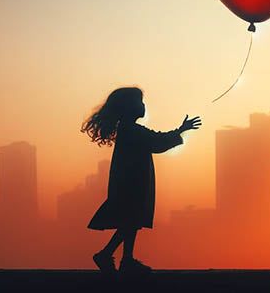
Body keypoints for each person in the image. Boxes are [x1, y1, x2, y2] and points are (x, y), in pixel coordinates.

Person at [81, 86, 201, 273]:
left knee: (131, 222)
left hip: (130, 182)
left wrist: (179, 131)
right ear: (130, 107)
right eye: (140, 101)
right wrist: (181, 130)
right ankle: (110, 255)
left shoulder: (128, 130)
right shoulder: (132, 130)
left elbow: (155, 140)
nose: (143, 105)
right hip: (132, 184)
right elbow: (157, 142)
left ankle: (124, 259)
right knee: (130, 221)